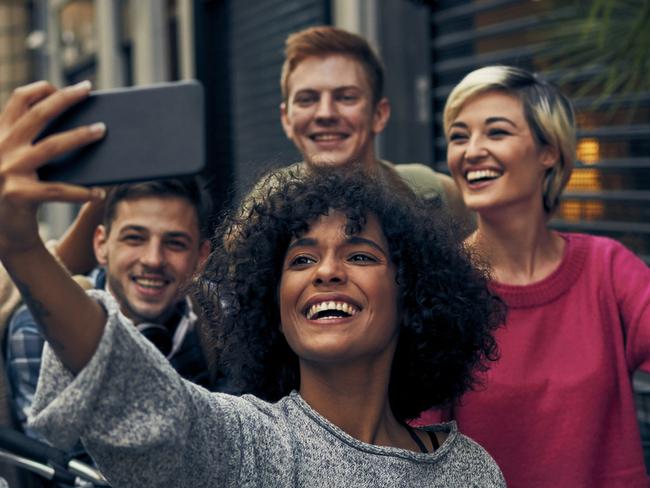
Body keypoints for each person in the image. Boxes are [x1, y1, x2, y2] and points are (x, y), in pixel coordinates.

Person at [0, 81, 506, 486]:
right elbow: (132, 389)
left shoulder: (471, 472)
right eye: (302, 259)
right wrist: (23, 250)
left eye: (359, 254)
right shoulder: (245, 445)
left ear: (411, 295)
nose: (326, 272)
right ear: (273, 306)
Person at [417, 65, 650, 487]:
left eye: (497, 132)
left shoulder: (608, 269)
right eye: (459, 136)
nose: (471, 151)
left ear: (549, 151)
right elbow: (413, 452)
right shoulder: (438, 285)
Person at [5, 178, 212, 441]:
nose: (153, 259)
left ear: (201, 257)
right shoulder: (39, 328)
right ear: (101, 245)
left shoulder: (218, 317)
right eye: (134, 238)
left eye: (175, 243)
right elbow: (68, 464)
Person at [259, 25, 472, 231]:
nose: (325, 113)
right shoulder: (264, 210)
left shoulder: (434, 196)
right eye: (307, 99)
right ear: (286, 119)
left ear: (379, 114)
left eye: (346, 98)